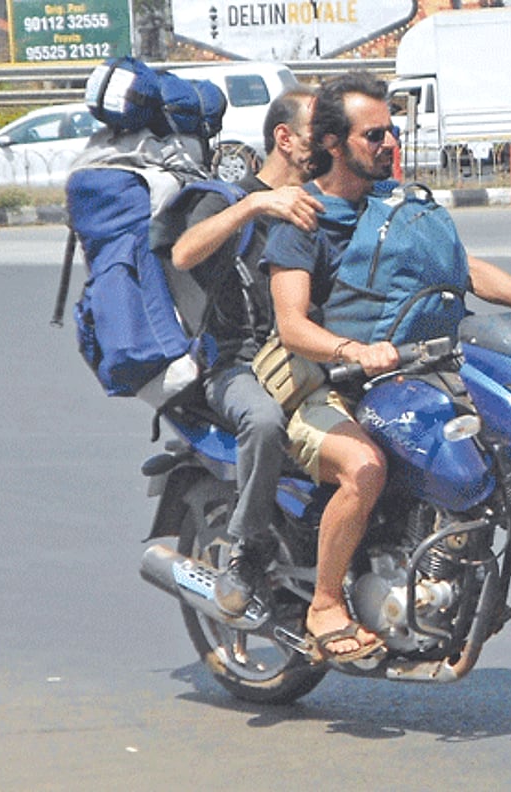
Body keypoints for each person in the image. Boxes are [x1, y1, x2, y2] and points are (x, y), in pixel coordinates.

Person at [260, 73, 511, 663]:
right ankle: (324, 603)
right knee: (363, 470)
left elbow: (464, 270)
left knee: (506, 440)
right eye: (373, 136)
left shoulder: (402, 205)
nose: (389, 144)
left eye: (392, 132)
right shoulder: (307, 219)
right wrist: (352, 350)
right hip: (329, 383)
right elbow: (291, 325)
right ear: (334, 143)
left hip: (419, 371)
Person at [169, 87, 324, 615]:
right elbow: (185, 252)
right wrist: (256, 203)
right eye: (316, 131)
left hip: (312, 358)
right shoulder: (228, 197)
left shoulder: (325, 199)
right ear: (284, 137)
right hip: (239, 362)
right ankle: (247, 549)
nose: (328, 141)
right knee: (262, 421)